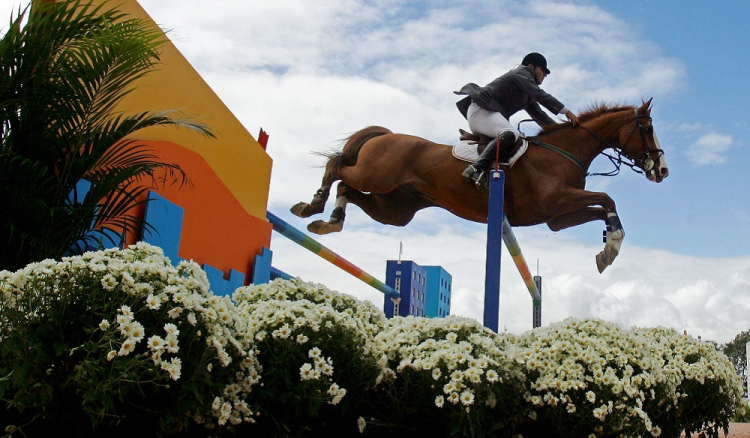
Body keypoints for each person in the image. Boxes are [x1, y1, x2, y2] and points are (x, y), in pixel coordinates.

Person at [455, 52, 579, 190]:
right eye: (543, 70)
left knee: (517, 138)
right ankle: (476, 168)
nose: (545, 75)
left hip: (487, 115)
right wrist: (566, 111)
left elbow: (540, 116)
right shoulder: (521, 72)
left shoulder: (527, 95)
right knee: (511, 134)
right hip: (482, 111)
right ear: (531, 66)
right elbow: (540, 94)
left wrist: (562, 133)